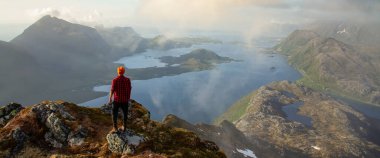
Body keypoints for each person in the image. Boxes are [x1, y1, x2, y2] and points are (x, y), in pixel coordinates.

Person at [108, 66, 132, 133]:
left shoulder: (115, 80)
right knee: (125, 114)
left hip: (117, 100)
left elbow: (112, 90)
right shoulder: (127, 80)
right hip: (125, 100)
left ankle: (115, 128)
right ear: (124, 72)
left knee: (114, 114)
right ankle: (124, 127)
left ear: (118, 72)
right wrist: (128, 97)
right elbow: (129, 89)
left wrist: (110, 98)